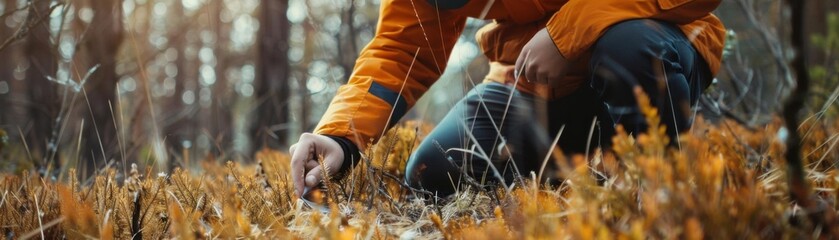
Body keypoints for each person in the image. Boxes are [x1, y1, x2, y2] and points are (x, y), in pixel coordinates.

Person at [289, 0, 726, 197]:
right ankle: (578, 174)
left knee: (629, 45)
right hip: (530, 83)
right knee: (434, 169)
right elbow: (403, 48)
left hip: (649, 41)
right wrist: (341, 138)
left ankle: (656, 190)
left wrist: (567, 35)